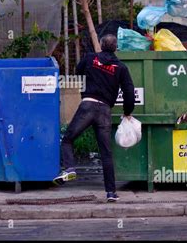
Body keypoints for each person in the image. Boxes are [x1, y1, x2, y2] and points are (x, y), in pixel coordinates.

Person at [53, 34, 135, 202]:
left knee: (68, 140)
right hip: (104, 110)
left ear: (101, 45)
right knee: (106, 153)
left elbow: (78, 71)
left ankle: (69, 168)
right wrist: (127, 112)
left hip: (87, 106)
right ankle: (111, 193)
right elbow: (129, 92)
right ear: (116, 48)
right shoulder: (120, 67)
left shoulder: (91, 58)